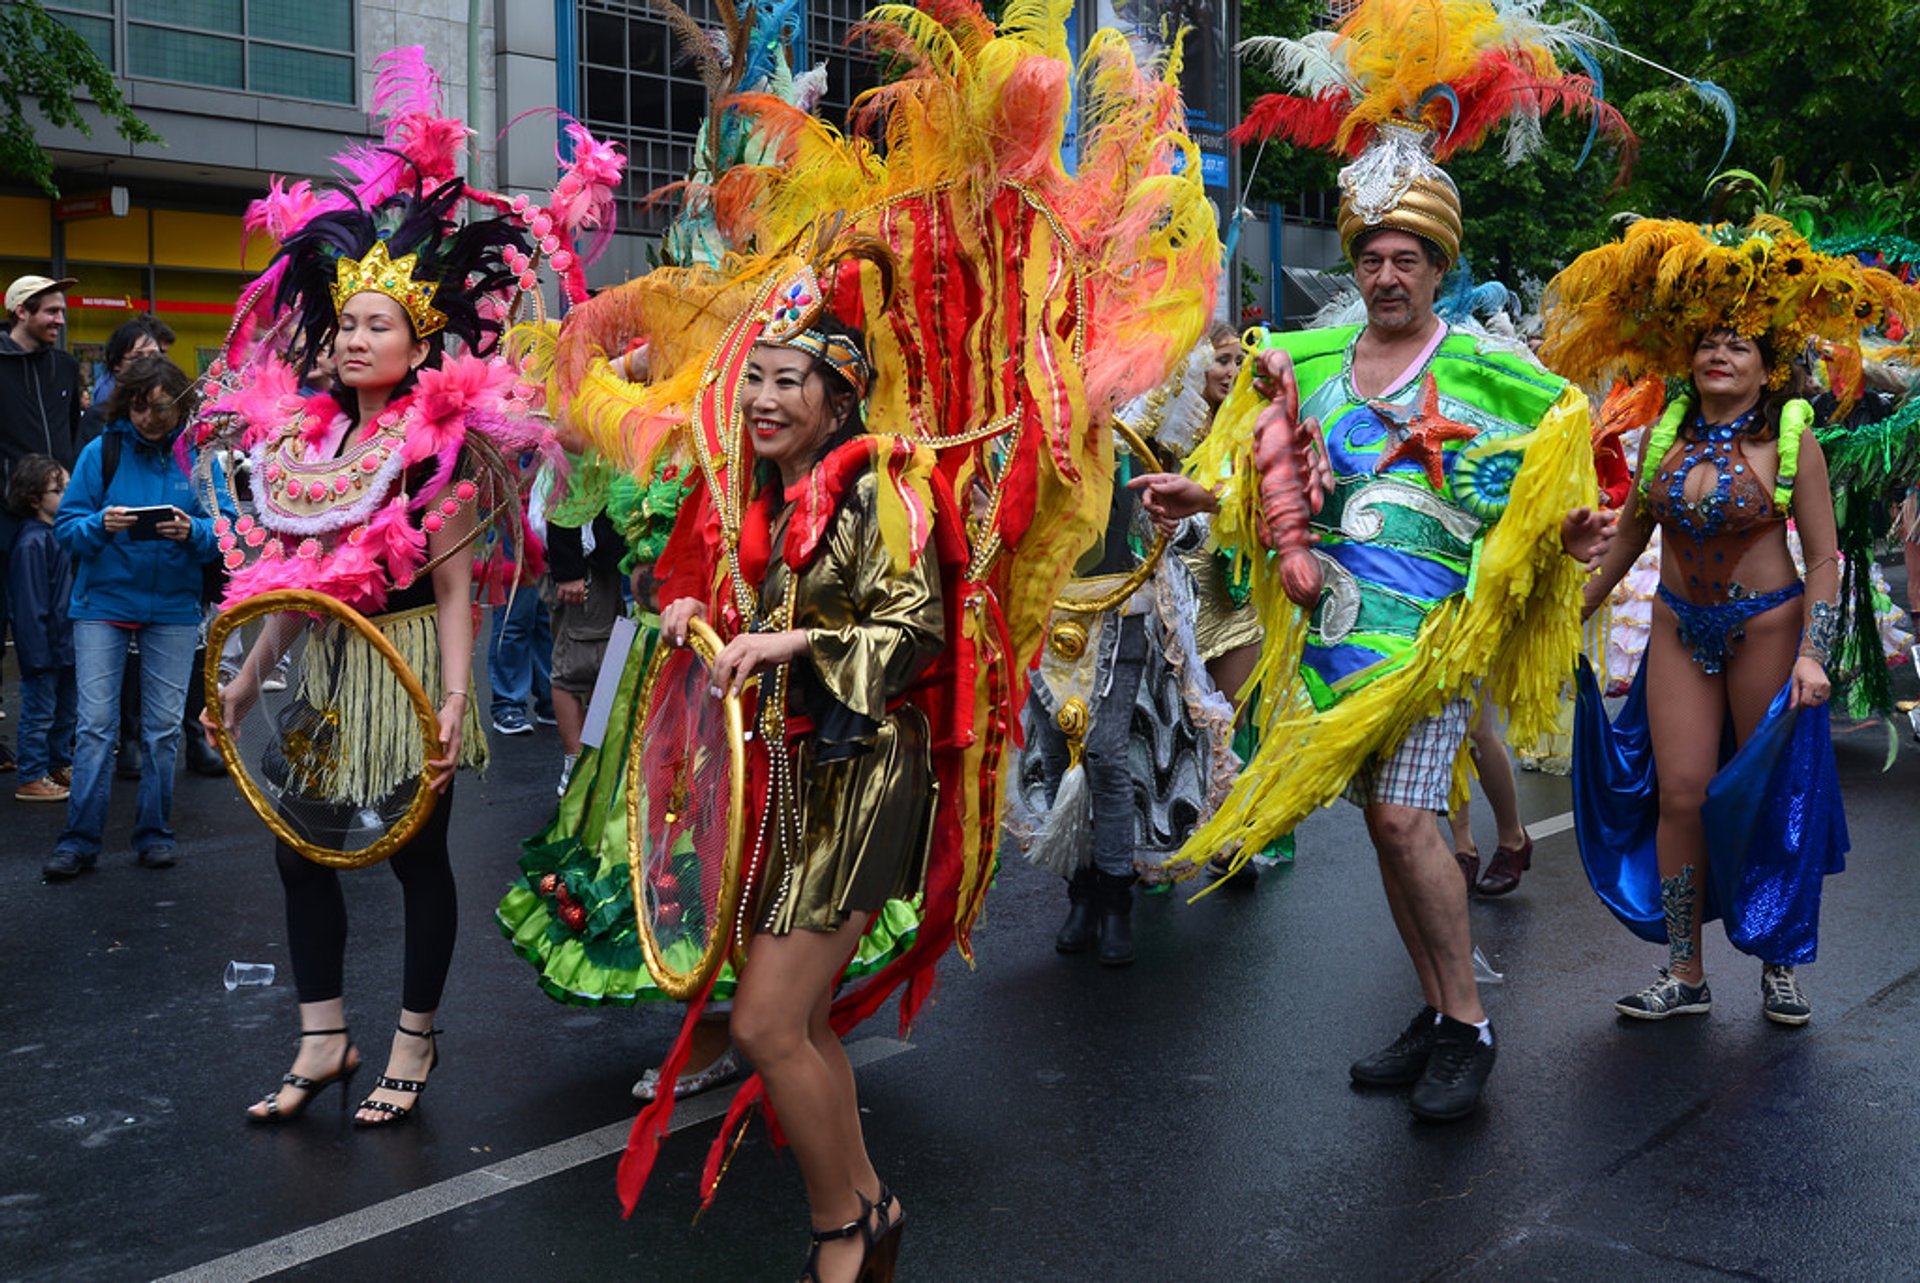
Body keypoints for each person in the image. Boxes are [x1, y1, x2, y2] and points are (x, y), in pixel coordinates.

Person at [1129, 0, 1623, 1120]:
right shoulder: (1303, 359)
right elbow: (1270, 482)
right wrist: (1198, 489)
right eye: (1373, 256)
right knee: (1386, 838)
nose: (1389, 273)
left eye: (1408, 257)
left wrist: (1568, 538)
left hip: (1434, 642)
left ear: (1440, 266)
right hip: (1337, 643)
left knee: (1407, 823)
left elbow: (1549, 480)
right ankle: (1441, 1007)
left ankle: (1472, 1028)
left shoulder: (1497, 380)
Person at [1543, 215, 1906, 1025]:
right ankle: (1685, 971)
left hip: (1768, 632)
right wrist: (1572, 608)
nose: (1719, 353)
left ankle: (1778, 960)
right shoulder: (1662, 440)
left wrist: (1816, 656)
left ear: (1766, 364)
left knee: (1768, 797)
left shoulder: (1792, 444)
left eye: (1738, 343)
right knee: (1680, 794)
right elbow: (1633, 530)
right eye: (1708, 341)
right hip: (1681, 627)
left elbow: (1822, 559)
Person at [653, 303, 939, 1282]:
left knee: (766, 1022)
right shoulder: (756, 502)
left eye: (790, 379)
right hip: (785, 780)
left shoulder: (876, 497)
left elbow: (915, 635)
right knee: (802, 1021)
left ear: (837, 398)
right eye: (757, 377)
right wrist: (698, 607)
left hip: (860, 773)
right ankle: (870, 1203)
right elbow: (743, 620)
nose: (766, 398)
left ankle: (841, 1228)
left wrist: (797, 644)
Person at [44, 357, 225, 878]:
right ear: (127, 404)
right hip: (102, 603)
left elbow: (230, 534)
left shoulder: (200, 460)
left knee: (164, 730)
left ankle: (155, 833)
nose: (149, 417)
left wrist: (193, 532)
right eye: (140, 406)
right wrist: (100, 523)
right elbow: (67, 529)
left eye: (161, 407)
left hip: (172, 605)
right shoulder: (102, 452)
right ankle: (78, 840)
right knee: (96, 727)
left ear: (180, 406)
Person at [1, 274, 82, 773]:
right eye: (50, 311)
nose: (60, 318)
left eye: (61, 309)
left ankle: (57, 750)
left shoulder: (67, 367)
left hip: (61, 518)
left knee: (59, 622)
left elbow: (71, 435)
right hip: (7, 520)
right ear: (21, 313)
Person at [7, 454, 76, 802]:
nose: (66, 493)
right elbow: (30, 605)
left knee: (64, 713)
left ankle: (57, 763)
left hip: (66, 644)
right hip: (45, 650)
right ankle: (32, 774)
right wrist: (36, 655)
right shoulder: (32, 541)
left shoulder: (59, 534)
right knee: (39, 715)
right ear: (34, 499)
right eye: (57, 489)